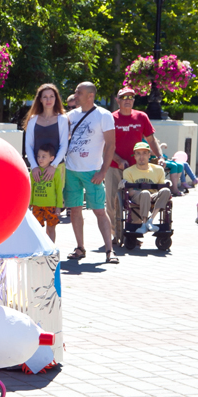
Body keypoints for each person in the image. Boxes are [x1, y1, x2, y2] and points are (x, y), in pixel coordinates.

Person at [64, 82, 118, 264]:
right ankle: (80, 248)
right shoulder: (70, 115)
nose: (75, 95)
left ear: (90, 96)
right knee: (75, 210)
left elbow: (111, 145)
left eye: (79, 92)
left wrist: (103, 171)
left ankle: (110, 251)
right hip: (71, 170)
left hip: (93, 171)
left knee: (99, 211)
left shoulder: (104, 115)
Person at [110, 88, 165, 238]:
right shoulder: (110, 118)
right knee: (112, 201)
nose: (127, 100)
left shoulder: (141, 117)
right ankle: (116, 234)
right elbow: (105, 145)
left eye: (131, 97)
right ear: (118, 100)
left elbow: (151, 140)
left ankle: (134, 231)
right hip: (114, 166)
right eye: (123, 97)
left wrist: (160, 156)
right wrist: (119, 160)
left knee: (135, 199)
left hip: (136, 168)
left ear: (134, 100)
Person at [122, 142, 171, 233]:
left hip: (153, 196)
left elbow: (160, 189)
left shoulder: (158, 170)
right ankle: (143, 224)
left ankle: (150, 221)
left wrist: (151, 196)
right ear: (135, 156)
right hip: (137, 197)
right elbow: (130, 192)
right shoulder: (128, 171)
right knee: (145, 193)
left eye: (144, 153)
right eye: (138, 153)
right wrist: (144, 194)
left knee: (166, 190)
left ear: (149, 155)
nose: (141, 156)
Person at [22, 83, 69, 168]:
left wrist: (53, 166)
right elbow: (29, 145)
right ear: (40, 99)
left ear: (56, 98)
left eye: (51, 96)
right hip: (37, 168)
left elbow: (64, 145)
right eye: (45, 97)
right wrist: (34, 166)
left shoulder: (63, 119)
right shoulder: (32, 119)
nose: (48, 100)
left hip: (57, 168)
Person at [30, 144, 64, 242]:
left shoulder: (56, 173)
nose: (40, 159)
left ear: (52, 158)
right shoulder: (34, 172)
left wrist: (59, 206)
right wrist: (29, 204)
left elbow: (58, 190)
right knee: (37, 229)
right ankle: (38, 248)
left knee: (51, 228)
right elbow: (31, 189)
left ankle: (51, 248)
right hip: (37, 206)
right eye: (38, 156)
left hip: (51, 206)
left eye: (44, 157)